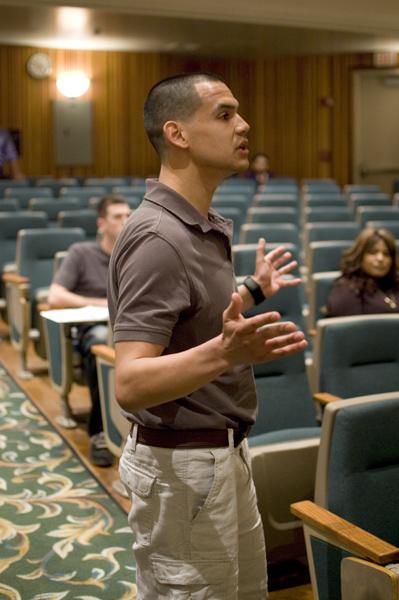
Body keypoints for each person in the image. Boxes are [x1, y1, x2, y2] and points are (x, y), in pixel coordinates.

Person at [108, 72, 307, 599]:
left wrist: (254, 290)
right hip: (183, 468)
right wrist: (225, 352)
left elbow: (189, 316)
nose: (244, 125)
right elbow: (128, 383)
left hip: (222, 454)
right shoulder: (159, 237)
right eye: (224, 114)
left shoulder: (199, 223)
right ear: (177, 133)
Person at [48, 195, 131, 466]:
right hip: (92, 327)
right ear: (101, 223)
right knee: (99, 342)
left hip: (128, 326)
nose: (125, 222)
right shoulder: (81, 253)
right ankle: (99, 431)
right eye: (117, 217)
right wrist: (100, 304)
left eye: (128, 216)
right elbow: (55, 295)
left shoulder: (136, 255)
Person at [326, 227, 399, 317]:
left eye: (386, 254)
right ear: (360, 257)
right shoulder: (346, 289)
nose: (380, 258)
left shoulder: (395, 285)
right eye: (373, 252)